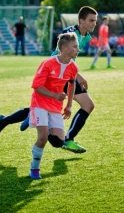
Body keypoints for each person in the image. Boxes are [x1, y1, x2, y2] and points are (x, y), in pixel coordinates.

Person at [0, 6, 98, 153]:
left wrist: (75, 74)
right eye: (91, 20)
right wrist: (78, 75)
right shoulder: (70, 34)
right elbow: (60, 57)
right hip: (55, 74)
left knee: (87, 105)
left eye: (95, 21)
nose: (94, 24)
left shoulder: (87, 37)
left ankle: (68, 139)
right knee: (44, 108)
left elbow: (71, 59)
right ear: (81, 20)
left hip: (67, 74)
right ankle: (67, 139)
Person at [29, 32, 79, 179]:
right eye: (75, 47)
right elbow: (37, 86)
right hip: (40, 102)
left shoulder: (73, 67)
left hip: (55, 106)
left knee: (58, 142)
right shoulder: (48, 63)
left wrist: (69, 105)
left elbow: (72, 85)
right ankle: (34, 168)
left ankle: (31, 118)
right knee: (43, 137)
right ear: (64, 48)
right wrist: (55, 95)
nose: (78, 49)